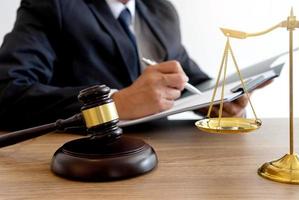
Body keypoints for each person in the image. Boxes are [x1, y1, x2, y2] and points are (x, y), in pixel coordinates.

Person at [0, 0, 250, 130]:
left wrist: (217, 100)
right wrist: (113, 105)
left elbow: (187, 77)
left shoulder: (161, 10)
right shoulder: (53, 5)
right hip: (88, 162)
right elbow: (8, 91)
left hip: (167, 158)